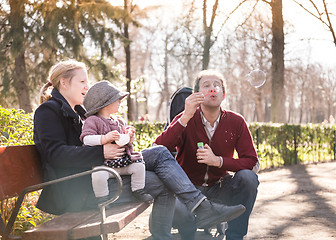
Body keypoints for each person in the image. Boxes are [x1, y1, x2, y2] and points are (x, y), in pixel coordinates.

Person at [33, 59, 247, 240]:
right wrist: (102, 152)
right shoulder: (49, 111)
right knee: (164, 178)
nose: (87, 87)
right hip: (81, 191)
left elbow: (94, 143)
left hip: (102, 175)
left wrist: (120, 143)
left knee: (161, 152)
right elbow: (55, 154)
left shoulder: (80, 112)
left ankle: (198, 212)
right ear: (63, 82)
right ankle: (202, 210)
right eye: (82, 81)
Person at [154, 69, 260, 240]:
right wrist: (185, 117)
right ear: (197, 95)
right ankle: (188, 233)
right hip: (187, 190)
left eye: (217, 85)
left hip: (220, 188)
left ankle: (235, 236)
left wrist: (218, 161)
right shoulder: (185, 118)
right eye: (207, 85)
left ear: (223, 95)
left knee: (249, 178)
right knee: (177, 212)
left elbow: (251, 161)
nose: (213, 89)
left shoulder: (236, 121)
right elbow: (157, 149)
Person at [80, 80, 153, 204]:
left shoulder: (119, 120)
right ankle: (102, 199)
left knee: (139, 166)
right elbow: (86, 139)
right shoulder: (93, 120)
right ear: (105, 104)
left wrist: (129, 135)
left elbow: (124, 139)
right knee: (98, 175)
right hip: (105, 164)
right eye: (117, 99)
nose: (120, 102)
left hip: (123, 162)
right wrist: (104, 138)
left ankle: (138, 190)